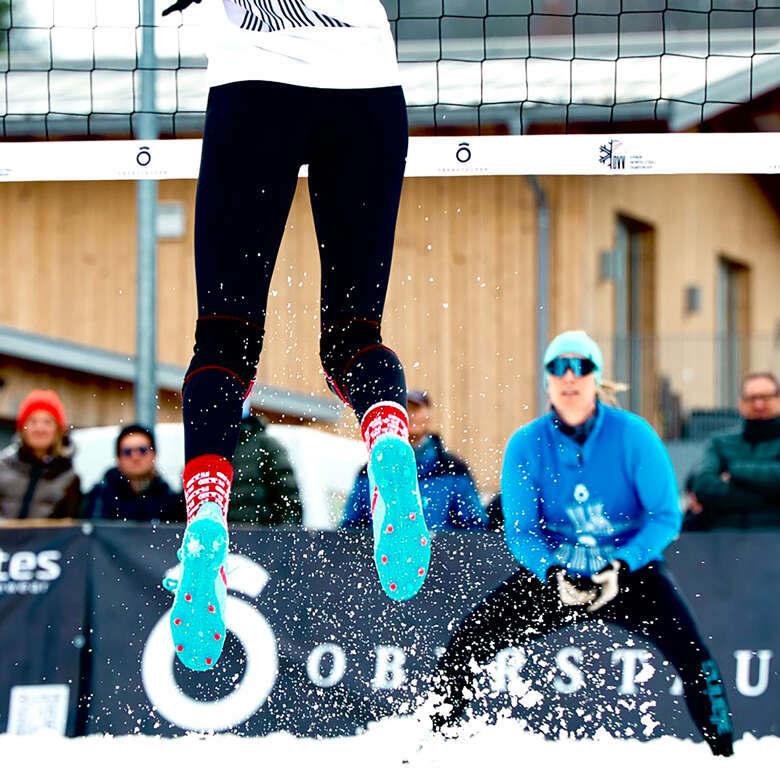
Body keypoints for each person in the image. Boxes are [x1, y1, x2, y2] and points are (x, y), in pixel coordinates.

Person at [160, 0, 429, 671]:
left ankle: (205, 521)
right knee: (353, 335)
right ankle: (389, 438)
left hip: (256, 92)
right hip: (364, 90)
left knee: (223, 341)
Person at [429, 331, 734, 757]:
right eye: (558, 367)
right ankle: (437, 746)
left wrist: (622, 565)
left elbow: (666, 517)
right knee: (467, 641)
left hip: (628, 574)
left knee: (695, 658)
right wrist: (552, 572)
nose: (569, 377)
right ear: (547, 381)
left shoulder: (634, 435)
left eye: (581, 367)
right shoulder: (526, 444)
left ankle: (727, 757)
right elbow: (521, 530)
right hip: (556, 573)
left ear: (597, 378)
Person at [342, 390, 488, 531]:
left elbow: (475, 528)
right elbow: (350, 529)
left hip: (443, 555)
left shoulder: (453, 470)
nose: (410, 416)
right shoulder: (372, 471)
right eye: (404, 410)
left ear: (429, 416)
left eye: (415, 409)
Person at [686, 372, 780, 530]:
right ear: (741, 404)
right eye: (751, 398)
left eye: (766, 397)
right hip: (723, 540)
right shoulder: (720, 442)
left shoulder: (726, 456)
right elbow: (703, 485)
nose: (758, 404)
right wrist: (771, 497)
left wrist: (734, 471)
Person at [0, 390, 80, 520]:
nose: (40, 429)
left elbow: (68, 530)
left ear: (58, 430)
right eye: (32, 421)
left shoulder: (69, 478)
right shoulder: (3, 467)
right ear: (22, 428)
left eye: (47, 422)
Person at [82, 424, 184, 523]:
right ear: (118, 458)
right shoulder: (101, 495)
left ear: (154, 454)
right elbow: (93, 533)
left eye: (142, 450)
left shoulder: (169, 498)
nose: (135, 457)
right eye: (127, 452)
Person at [228, 405, 302, 526]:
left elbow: (289, 498)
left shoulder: (266, 445)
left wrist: (284, 537)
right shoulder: (213, 450)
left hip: (259, 537)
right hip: (220, 538)